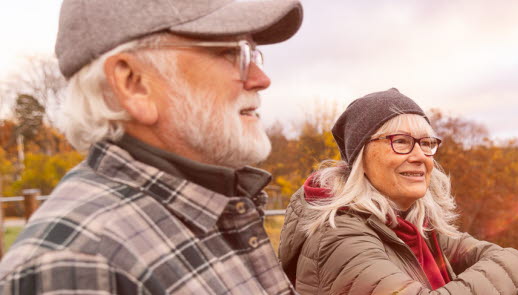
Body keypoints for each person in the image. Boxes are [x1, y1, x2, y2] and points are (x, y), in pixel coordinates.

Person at [0, 0, 303, 293]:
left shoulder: (215, 210)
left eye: (253, 54)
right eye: (230, 53)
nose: (260, 79)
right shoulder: (78, 266)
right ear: (133, 83)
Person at [279, 88, 518, 294]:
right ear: (361, 157)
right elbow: (506, 263)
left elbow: (478, 251)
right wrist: (516, 266)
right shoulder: (338, 238)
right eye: (400, 141)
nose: (420, 156)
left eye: (426, 143)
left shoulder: (411, 223)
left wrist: (510, 263)